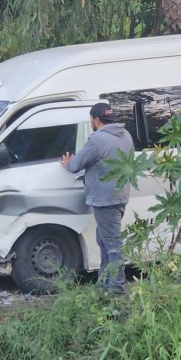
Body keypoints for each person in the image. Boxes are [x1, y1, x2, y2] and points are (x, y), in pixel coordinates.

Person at [60, 102, 134, 295]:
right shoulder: (125, 135)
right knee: (104, 240)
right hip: (120, 195)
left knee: (112, 244)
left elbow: (76, 165)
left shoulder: (97, 139)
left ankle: (117, 288)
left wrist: (67, 164)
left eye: (91, 119)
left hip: (104, 198)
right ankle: (104, 282)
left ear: (97, 120)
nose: (91, 122)